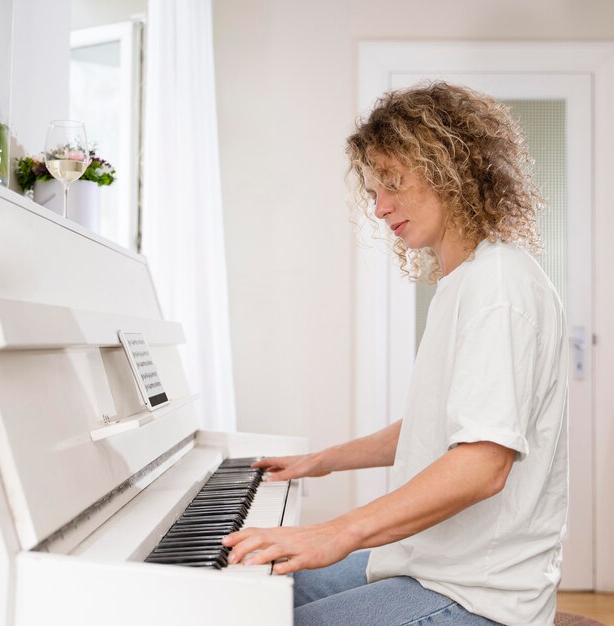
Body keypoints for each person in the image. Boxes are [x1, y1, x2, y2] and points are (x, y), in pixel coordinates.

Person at [223, 81, 569, 626]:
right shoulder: (467, 278)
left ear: (450, 167)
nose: (381, 208)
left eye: (393, 184)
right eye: (372, 192)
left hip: (477, 595)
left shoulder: (499, 285)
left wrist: (335, 532)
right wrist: (325, 460)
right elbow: (439, 424)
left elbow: (481, 465)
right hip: (425, 561)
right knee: (244, 591)